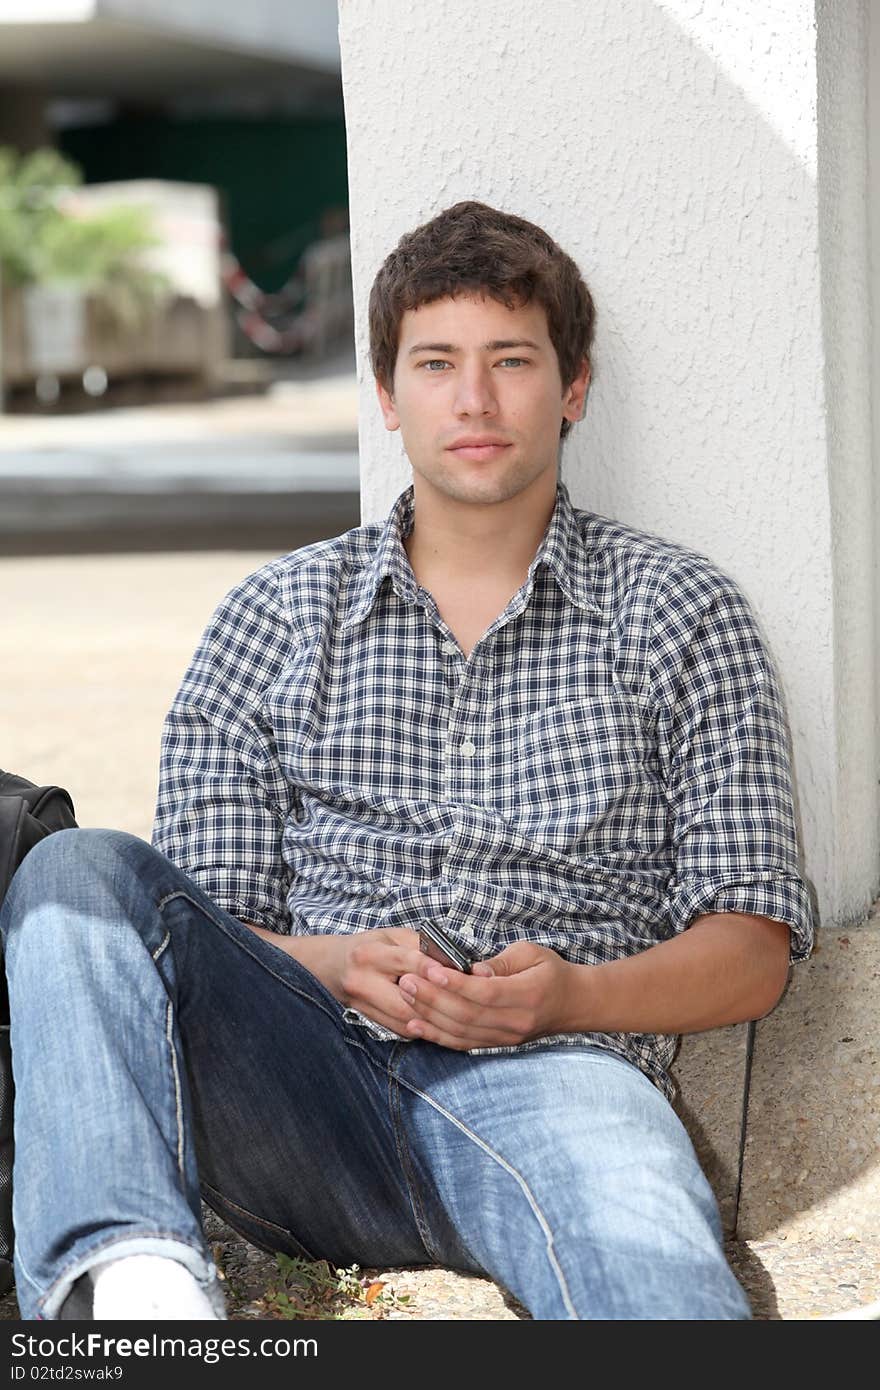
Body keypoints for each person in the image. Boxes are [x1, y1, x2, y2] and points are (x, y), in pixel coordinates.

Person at [1, 201, 815, 1322]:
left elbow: (751, 949)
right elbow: (193, 931)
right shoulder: (275, 615)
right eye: (435, 362)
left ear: (571, 387)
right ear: (386, 396)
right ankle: (135, 1296)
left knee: (654, 1282)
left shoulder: (681, 613)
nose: (473, 399)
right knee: (77, 870)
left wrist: (571, 997)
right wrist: (334, 965)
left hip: (561, 1080)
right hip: (297, 1090)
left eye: (510, 361)